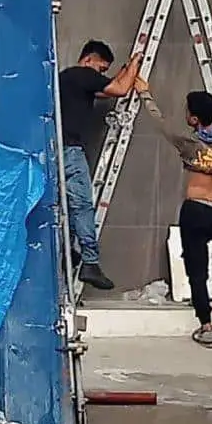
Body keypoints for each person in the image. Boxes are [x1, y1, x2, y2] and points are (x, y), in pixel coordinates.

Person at [134, 70, 212, 348]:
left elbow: (160, 122)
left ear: (194, 119)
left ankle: (206, 326)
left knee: (197, 271)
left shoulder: (189, 142)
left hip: (195, 213)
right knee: (198, 251)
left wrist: (144, 92)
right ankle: (193, 252)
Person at [59, 40, 143, 290]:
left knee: (65, 207)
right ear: (88, 60)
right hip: (70, 150)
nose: (100, 74)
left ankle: (68, 253)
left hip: (54, 150)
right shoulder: (84, 74)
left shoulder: (69, 79)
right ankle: (90, 262)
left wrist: (125, 68)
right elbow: (119, 90)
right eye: (100, 68)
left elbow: (106, 88)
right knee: (82, 205)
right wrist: (137, 62)